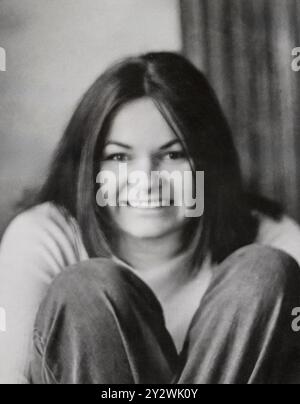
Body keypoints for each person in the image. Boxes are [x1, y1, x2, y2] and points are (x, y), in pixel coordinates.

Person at [1, 52, 300, 384]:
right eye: (118, 157)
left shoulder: (271, 237)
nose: (146, 179)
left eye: (173, 154)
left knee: (263, 273)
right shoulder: (44, 235)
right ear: (90, 167)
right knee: (87, 290)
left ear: (209, 163)